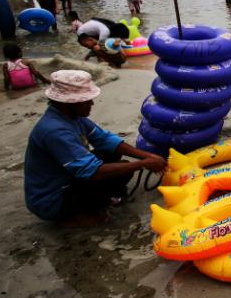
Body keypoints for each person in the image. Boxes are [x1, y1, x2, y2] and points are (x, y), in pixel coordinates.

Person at [23, 70, 166, 226]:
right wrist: (142, 164)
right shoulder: (55, 131)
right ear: (68, 103)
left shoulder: (73, 117)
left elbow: (105, 140)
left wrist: (146, 156)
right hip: (52, 198)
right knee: (122, 169)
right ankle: (74, 216)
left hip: (67, 176)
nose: (91, 104)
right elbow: (93, 172)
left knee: (111, 155)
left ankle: (101, 199)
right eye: (86, 100)